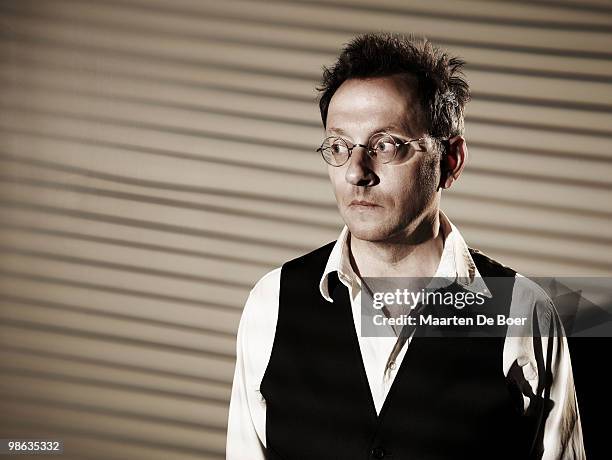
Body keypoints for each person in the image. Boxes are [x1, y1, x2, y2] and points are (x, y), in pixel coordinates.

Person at [226, 33, 585, 460]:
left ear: (450, 161)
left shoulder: (523, 312)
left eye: (385, 146)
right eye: (339, 146)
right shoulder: (272, 301)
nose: (357, 172)